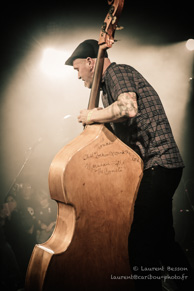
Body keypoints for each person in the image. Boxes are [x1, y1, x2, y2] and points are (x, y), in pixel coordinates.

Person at [65, 39, 194, 290]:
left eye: (77, 68)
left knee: (140, 246)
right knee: (163, 241)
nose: (77, 75)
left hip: (158, 163)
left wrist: (92, 114)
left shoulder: (117, 72)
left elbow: (127, 107)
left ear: (91, 62)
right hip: (160, 166)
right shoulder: (105, 90)